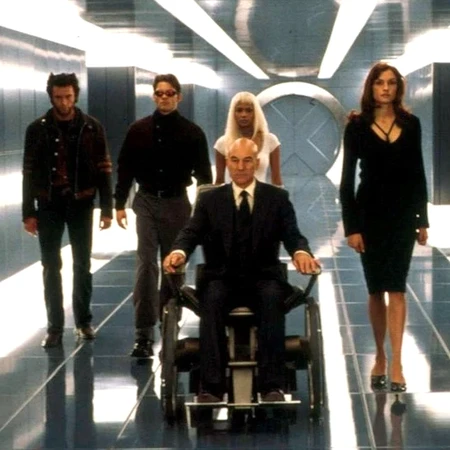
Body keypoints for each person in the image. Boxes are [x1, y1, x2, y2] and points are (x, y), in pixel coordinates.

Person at [164, 137, 320, 402]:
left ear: (257, 163)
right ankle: (211, 388)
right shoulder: (209, 199)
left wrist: (301, 253)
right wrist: (178, 252)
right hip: (221, 278)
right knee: (211, 300)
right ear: (227, 162)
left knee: (272, 299)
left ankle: (272, 386)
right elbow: (190, 232)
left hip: (264, 278)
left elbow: (293, 235)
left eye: (247, 161)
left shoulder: (277, 198)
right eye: (234, 160)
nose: (240, 167)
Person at [339, 62, 429, 392]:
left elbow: (418, 172)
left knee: (398, 287)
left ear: (398, 88)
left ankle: (398, 363)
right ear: (371, 88)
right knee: (376, 288)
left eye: (391, 83)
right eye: (380, 83)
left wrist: (422, 219)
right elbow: (346, 180)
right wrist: (352, 227)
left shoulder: (411, 124)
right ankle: (379, 355)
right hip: (369, 216)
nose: (386, 88)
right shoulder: (357, 126)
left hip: (402, 216)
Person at [114, 73, 212, 358]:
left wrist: (204, 212)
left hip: (177, 204)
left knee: (173, 267)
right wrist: (118, 203)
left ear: (179, 96)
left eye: (170, 93)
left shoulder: (193, 133)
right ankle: (143, 335)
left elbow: (204, 177)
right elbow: (125, 168)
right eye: (160, 93)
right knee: (146, 265)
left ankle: (170, 324)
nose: (165, 97)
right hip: (146, 201)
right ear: (154, 96)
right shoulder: (138, 130)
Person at [22, 72, 113, 348]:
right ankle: (55, 327)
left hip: (81, 203)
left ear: (76, 96)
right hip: (48, 204)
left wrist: (106, 208)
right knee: (50, 265)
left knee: (82, 263)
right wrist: (28, 212)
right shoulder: (36, 129)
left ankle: (83, 321)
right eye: (59, 97)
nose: (64, 102)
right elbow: (28, 172)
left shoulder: (92, 127)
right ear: (51, 97)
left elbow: (104, 168)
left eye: (68, 97)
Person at [214, 91, 283, 186]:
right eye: (239, 110)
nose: (244, 115)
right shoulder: (222, 143)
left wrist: (280, 195)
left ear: (256, 113)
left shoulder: (270, 141)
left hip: (261, 194)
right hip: (231, 194)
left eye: (249, 110)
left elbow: (276, 180)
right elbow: (219, 181)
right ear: (233, 113)